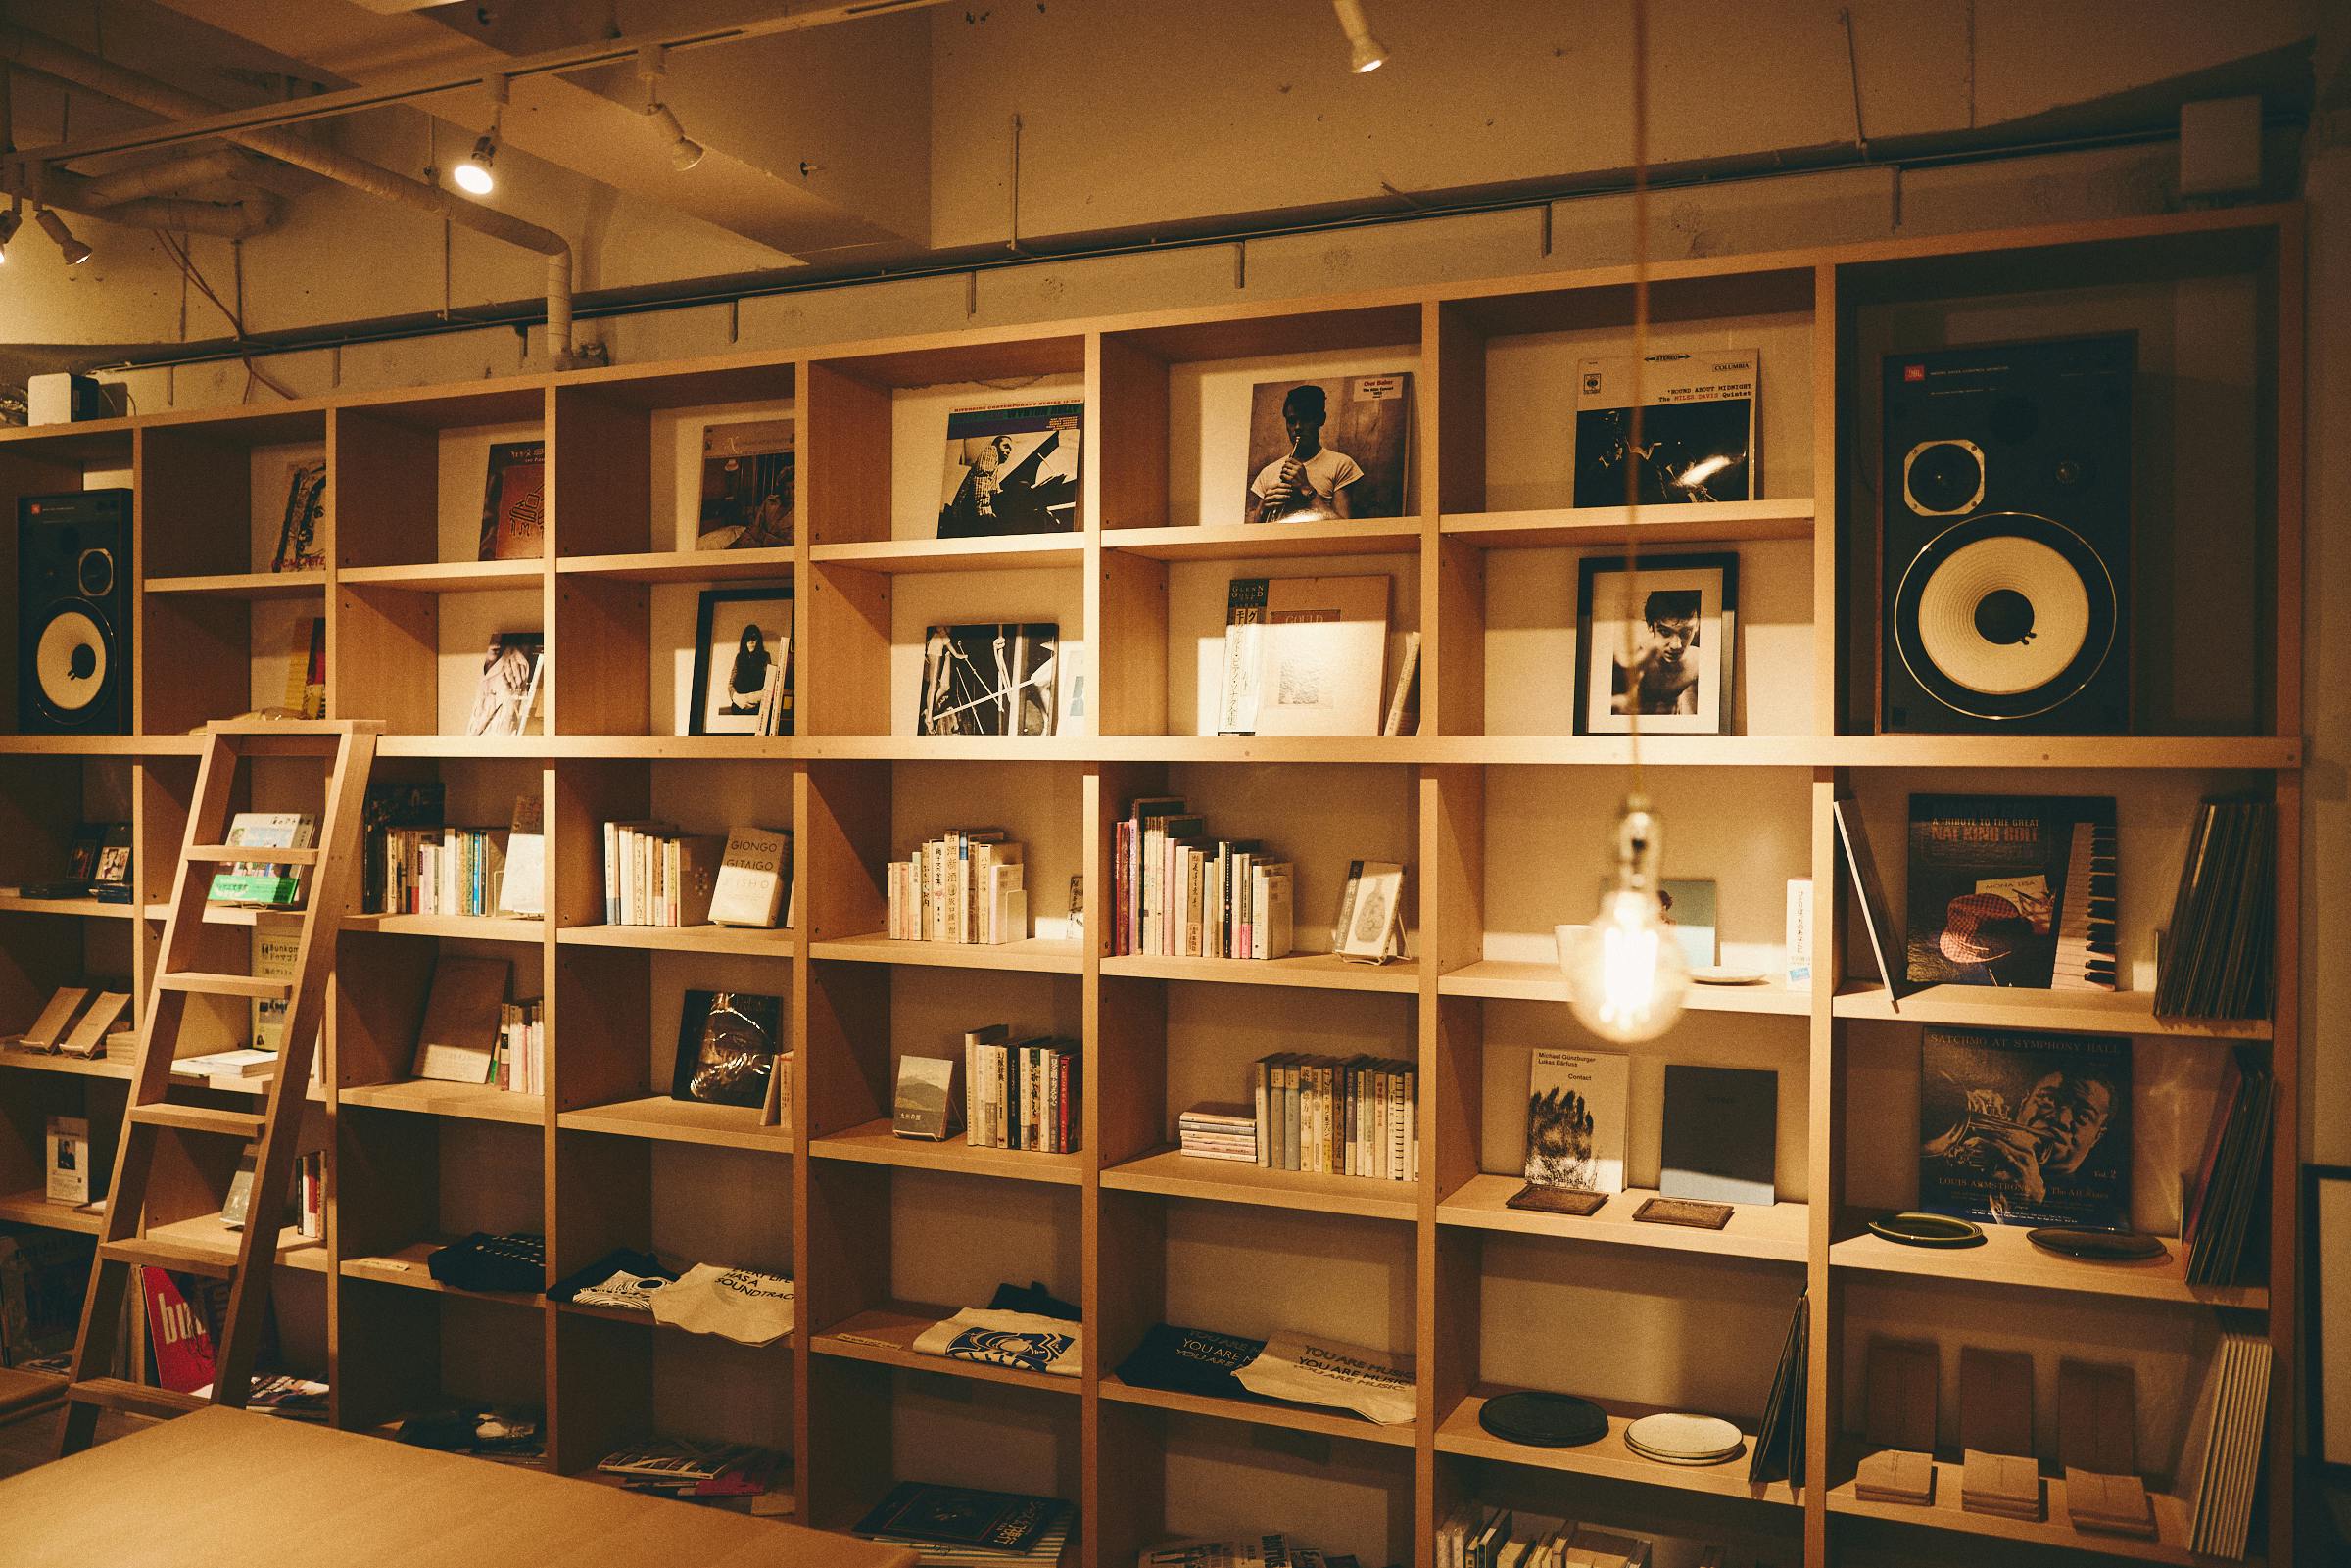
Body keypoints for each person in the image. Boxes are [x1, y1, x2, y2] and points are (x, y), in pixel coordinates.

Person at [1920, 1065, 2118, 1221]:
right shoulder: (1954, 1162)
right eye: (2049, 1099)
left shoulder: (2101, 1212)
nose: (2061, 1120)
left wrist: (2023, 1209)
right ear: (2024, 1102)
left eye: (2083, 1116)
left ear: (2098, 1136)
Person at [1248, 383, 1362, 522]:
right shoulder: (1268, 472)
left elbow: (1344, 528)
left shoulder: (1341, 464)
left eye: (1306, 419)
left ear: (1321, 419)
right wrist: (1261, 510)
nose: (1297, 427)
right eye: (1291, 421)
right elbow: (1251, 529)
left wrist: (1307, 488)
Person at [1609, 589, 1702, 716]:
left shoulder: (1698, 661)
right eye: (1665, 632)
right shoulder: (1634, 660)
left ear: (1697, 626)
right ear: (1650, 625)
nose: (1676, 645)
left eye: (1686, 632)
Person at [724, 624, 772, 717]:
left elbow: (769, 684)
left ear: (758, 640)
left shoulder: (765, 657)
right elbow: (730, 684)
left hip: (758, 705)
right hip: (739, 705)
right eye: (747, 639)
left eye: (753, 638)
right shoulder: (739, 657)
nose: (751, 642)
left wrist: (753, 699)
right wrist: (737, 699)